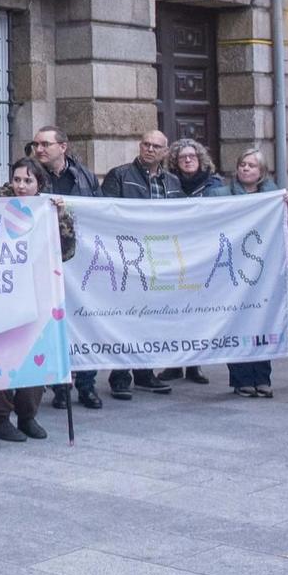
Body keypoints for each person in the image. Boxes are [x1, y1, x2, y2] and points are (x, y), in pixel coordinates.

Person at [0, 158, 63, 441]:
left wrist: (60, 218)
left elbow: (65, 250)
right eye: (17, 179)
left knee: (34, 352)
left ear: (38, 185)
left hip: (37, 291)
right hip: (2, 292)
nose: (20, 186)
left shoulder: (49, 208)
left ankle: (28, 415)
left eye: (27, 181)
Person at [102, 129, 180, 398]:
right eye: (145, 144)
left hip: (158, 258)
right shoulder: (119, 175)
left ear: (165, 152)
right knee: (125, 317)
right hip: (127, 258)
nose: (149, 149)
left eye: (156, 146)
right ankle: (120, 376)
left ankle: (145, 373)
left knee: (149, 318)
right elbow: (104, 213)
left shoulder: (172, 182)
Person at [33, 126, 100, 409]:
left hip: (81, 261)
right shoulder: (31, 175)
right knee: (54, 324)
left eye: (45, 144)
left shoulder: (84, 176)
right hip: (47, 262)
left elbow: (99, 210)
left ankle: (87, 384)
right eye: (36, 145)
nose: (39, 150)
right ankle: (61, 385)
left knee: (84, 322)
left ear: (63, 146)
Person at [153, 139, 227, 387]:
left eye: (192, 156)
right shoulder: (166, 183)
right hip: (172, 253)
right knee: (173, 309)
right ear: (174, 161)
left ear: (200, 159)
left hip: (202, 255)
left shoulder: (214, 185)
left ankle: (194, 363)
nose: (187, 160)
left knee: (197, 309)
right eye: (182, 157)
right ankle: (174, 364)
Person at [225, 149, 288, 399]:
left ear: (261, 172)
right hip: (232, 270)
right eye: (242, 164)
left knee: (262, 321)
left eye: (251, 165)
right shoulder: (221, 194)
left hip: (264, 271)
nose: (246, 169)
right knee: (236, 323)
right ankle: (241, 379)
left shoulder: (273, 197)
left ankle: (262, 377)